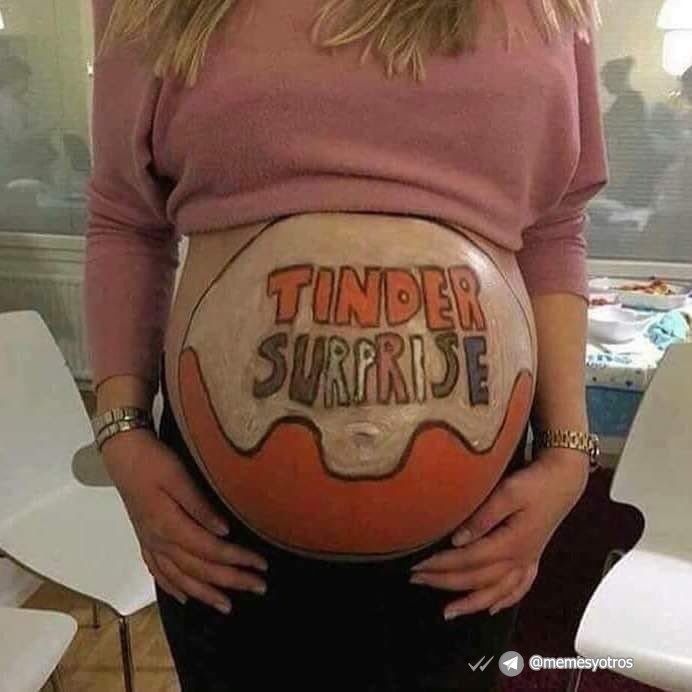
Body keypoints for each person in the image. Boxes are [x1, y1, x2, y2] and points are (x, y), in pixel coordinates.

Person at [85, 1, 607, 690]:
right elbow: (126, 219)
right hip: (221, 536)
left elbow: (553, 226)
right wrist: (121, 433)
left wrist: (568, 453)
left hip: (469, 538)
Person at [0, 56, 56, 185]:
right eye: (25, 79)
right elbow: (17, 137)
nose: (27, 84)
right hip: (18, 165)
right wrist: (44, 129)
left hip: (17, 163)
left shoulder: (12, 101)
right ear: (14, 79)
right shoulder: (8, 104)